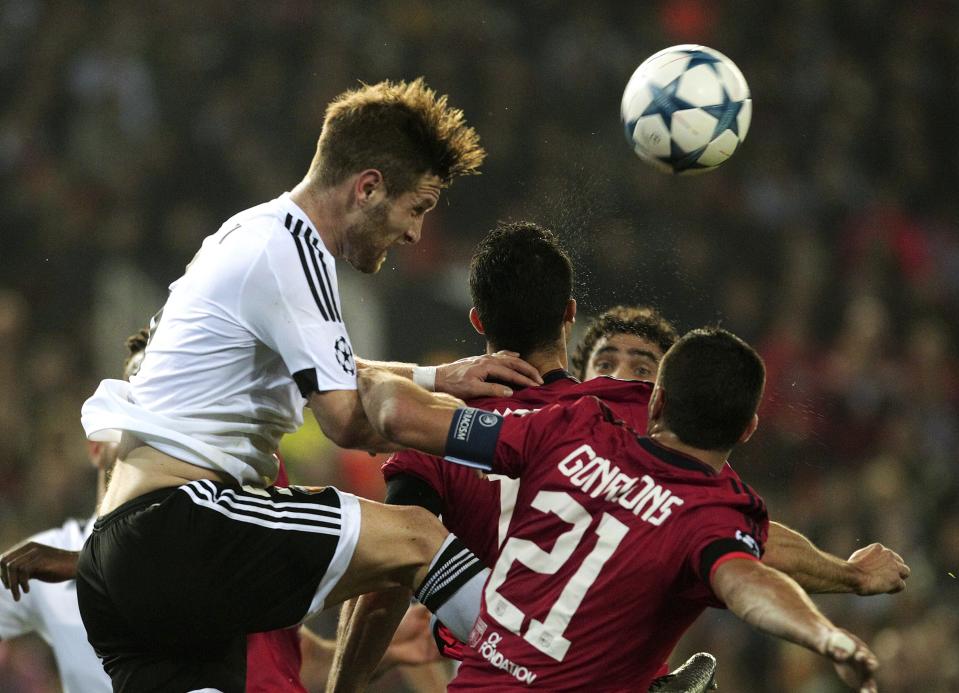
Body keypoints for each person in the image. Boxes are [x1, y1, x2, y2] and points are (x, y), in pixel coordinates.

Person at [75, 78, 540, 693]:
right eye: (418, 207)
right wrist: (473, 430)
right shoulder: (293, 248)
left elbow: (328, 369)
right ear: (368, 187)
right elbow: (345, 420)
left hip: (120, 558)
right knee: (416, 538)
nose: (416, 235)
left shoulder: (249, 235)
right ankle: (571, 675)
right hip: (179, 527)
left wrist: (434, 376)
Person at [328, 223, 907, 691]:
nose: (627, 374)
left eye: (642, 366)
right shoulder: (602, 421)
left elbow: (385, 577)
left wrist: (403, 376)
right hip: (562, 659)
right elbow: (743, 544)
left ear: (477, 321)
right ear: (570, 318)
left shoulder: (480, 433)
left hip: (491, 660)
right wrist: (847, 577)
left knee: (409, 536)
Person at [0, 329, 443, 692]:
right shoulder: (44, 563)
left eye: (177, 395)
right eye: (146, 400)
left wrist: (377, 649)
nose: (167, 417)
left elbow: (283, 658)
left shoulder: (246, 495)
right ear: (99, 442)